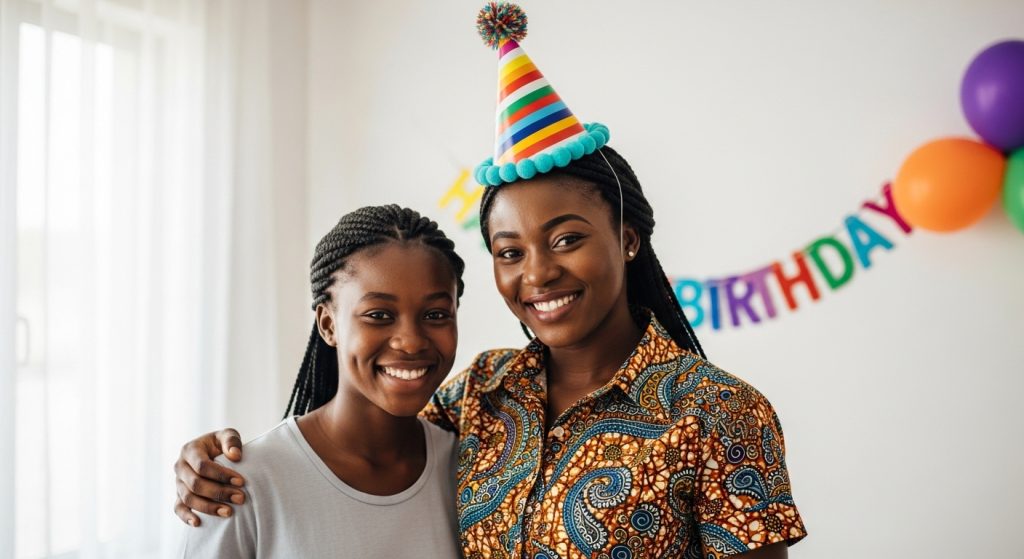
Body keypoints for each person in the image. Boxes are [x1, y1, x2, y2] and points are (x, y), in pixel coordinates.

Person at [174, 4, 807, 557]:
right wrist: (212, 462)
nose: (538, 272)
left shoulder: (720, 413)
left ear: (627, 239)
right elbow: (362, 452)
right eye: (510, 251)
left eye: (566, 239)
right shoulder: (479, 396)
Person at [176, 205, 466, 558]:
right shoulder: (236, 486)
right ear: (328, 324)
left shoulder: (473, 468)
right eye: (379, 315)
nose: (411, 341)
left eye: (435, 315)